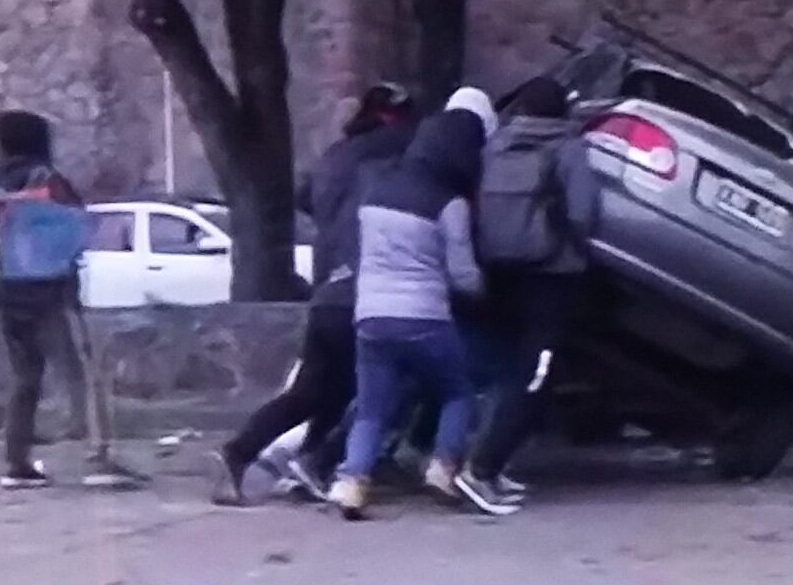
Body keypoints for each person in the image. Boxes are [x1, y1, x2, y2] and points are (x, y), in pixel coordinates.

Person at [209, 83, 418, 505]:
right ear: (398, 116)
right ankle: (319, 461)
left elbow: (305, 199)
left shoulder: (335, 157)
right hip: (369, 287)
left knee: (316, 391)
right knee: (390, 386)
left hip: (328, 289)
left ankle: (244, 452)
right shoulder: (396, 151)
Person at [328, 88, 494, 520]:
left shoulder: (376, 189)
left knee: (371, 410)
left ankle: (351, 483)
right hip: (425, 318)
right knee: (457, 391)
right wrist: (483, 291)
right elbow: (462, 273)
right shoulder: (449, 202)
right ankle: (442, 467)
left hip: (370, 317)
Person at [0, 110, 140, 490]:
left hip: (6, 293)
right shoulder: (48, 181)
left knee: (25, 380)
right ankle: (99, 457)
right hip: (53, 295)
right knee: (82, 373)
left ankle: (17, 462)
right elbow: (79, 227)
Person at [457, 76, 598, 515]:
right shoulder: (568, 149)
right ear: (561, 112)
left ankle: (485, 467)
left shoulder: (494, 146)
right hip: (550, 278)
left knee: (504, 372)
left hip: (497, 275)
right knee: (536, 378)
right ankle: (479, 470)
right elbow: (584, 213)